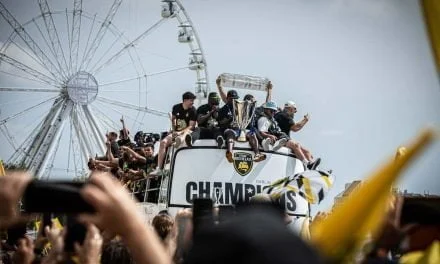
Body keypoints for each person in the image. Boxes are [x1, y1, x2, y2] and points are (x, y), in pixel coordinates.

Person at [257, 101, 320, 170]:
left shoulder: (273, 118)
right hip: (280, 138)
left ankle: (314, 169)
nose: (295, 112)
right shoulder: (283, 115)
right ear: (290, 108)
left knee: (307, 152)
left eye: (274, 111)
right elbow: (295, 128)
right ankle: (307, 164)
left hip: (283, 137)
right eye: (294, 109)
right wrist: (305, 120)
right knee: (296, 145)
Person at [150, 91, 199, 175]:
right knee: (163, 142)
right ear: (185, 100)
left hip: (187, 131)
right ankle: (159, 168)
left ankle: (178, 144)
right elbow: (173, 119)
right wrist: (173, 130)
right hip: (176, 131)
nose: (192, 102)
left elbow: (191, 126)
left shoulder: (193, 110)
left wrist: (180, 132)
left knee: (179, 139)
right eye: (191, 100)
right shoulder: (176, 107)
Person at [217, 90, 266, 163]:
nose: (233, 100)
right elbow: (220, 122)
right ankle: (229, 153)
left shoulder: (240, 107)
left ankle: (257, 154)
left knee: (252, 133)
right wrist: (231, 117)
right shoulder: (223, 109)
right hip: (229, 129)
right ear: (227, 99)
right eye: (231, 98)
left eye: (235, 98)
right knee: (230, 133)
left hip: (240, 130)